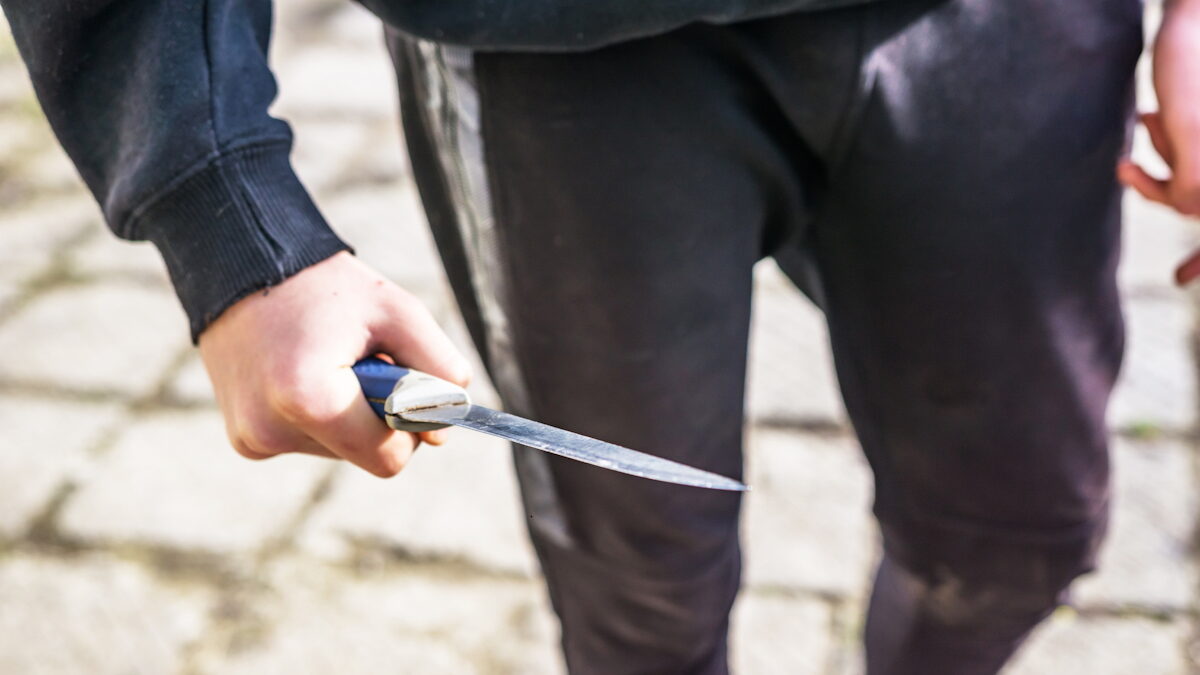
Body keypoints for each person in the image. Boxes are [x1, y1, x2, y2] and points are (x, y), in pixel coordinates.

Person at [3, 0, 1198, 672]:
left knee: (1017, 532)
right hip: (546, 49)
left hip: (1012, 27)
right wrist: (220, 212)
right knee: (642, 593)